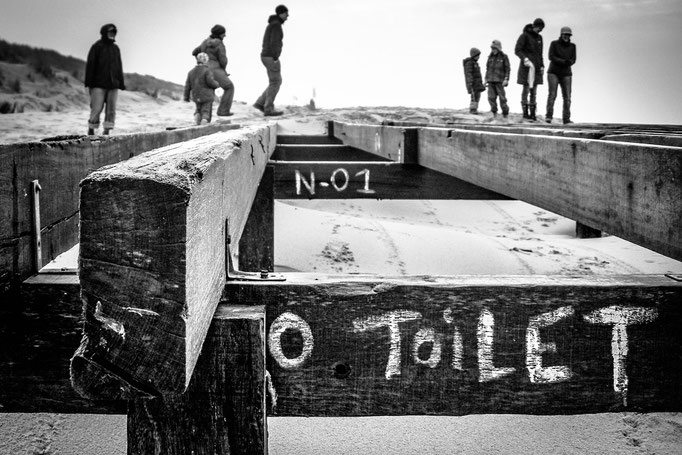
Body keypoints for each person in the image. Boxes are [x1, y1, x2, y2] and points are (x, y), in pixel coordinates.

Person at [85, 23, 125, 135]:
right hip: (98, 84)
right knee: (96, 108)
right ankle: (91, 129)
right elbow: (90, 65)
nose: (111, 34)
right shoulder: (97, 47)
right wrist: (88, 83)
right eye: (109, 32)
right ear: (104, 33)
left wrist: (121, 82)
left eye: (113, 32)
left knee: (111, 109)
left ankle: (107, 131)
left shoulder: (115, 48)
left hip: (113, 85)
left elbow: (119, 66)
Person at [254, 5, 289, 117]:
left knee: (274, 81)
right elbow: (274, 42)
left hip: (266, 56)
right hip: (270, 56)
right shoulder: (276, 25)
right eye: (286, 13)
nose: (287, 16)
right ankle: (268, 108)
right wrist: (275, 57)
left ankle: (260, 103)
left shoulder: (273, 24)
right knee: (276, 82)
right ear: (281, 14)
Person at [192, 24, 235, 117]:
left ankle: (205, 117)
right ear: (219, 34)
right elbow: (223, 60)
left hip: (203, 68)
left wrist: (200, 61)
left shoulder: (204, 42)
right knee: (229, 87)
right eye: (224, 34)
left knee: (208, 91)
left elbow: (194, 52)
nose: (225, 35)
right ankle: (223, 111)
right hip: (215, 68)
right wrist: (223, 71)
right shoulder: (219, 43)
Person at [515, 18, 545, 120]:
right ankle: (525, 112)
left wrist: (542, 66)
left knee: (534, 90)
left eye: (541, 29)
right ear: (534, 26)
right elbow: (517, 50)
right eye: (539, 28)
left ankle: (533, 113)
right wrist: (525, 58)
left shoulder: (540, 38)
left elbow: (540, 54)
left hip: (536, 68)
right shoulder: (524, 36)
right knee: (526, 89)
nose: (540, 30)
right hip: (526, 68)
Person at [546, 26, 576, 124]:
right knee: (552, 95)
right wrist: (563, 61)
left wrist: (568, 62)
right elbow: (551, 56)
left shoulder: (573, 46)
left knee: (567, 97)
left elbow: (573, 59)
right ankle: (549, 116)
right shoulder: (554, 44)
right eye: (565, 34)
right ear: (561, 34)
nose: (566, 36)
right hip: (553, 72)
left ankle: (566, 119)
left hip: (566, 73)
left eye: (568, 35)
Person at [184, 52, 220, 125]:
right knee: (206, 110)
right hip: (207, 95)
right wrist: (217, 84)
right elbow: (210, 82)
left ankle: (197, 118)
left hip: (196, 95)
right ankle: (204, 121)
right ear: (205, 60)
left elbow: (187, 85)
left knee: (198, 109)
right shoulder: (207, 71)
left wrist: (186, 97)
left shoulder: (191, 72)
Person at [484, 40, 510, 118]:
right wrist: (485, 79)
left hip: (500, 81)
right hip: (491, 81)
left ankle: (505, 113)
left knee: (502, 98)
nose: (493, 50)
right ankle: (494, 112)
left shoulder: (504, 57)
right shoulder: (490, 57)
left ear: (498, 48)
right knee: (491, 97)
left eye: (495, 48)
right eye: (492, 48)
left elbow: (507, 69)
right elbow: (487, 69)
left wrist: (506, 79)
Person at [463, 47, 485, 114]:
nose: (479, 57)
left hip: (477, 84)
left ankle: (475, 109)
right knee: (474, 97)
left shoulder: (475, 63)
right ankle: (472, 110)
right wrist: (470, 83)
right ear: (474, 55)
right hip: (473, 84)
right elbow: (468, 74)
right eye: (478, 55)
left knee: (477, 96)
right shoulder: (469, 63)